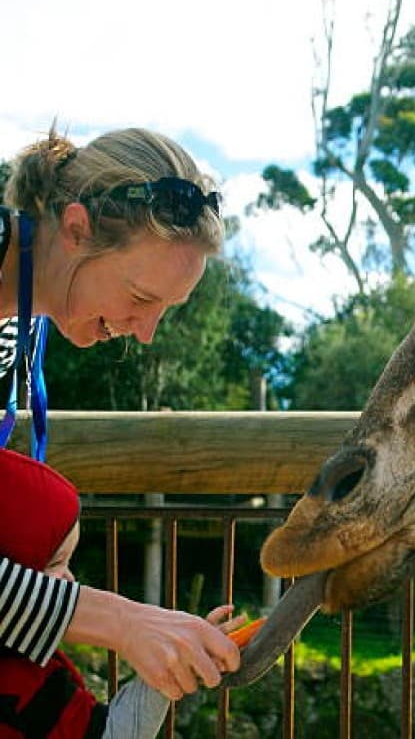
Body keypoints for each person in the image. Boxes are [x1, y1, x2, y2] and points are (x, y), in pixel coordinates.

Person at [0, 126, 240, 699]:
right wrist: (125, 624)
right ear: (77, 229)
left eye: (165, 310)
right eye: (140, 298)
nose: (148, 333)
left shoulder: (18, 320)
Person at [0, 448, 246, 737]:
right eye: (54, 564)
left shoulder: (42, 683)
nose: (68, 579)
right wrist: (131, 627)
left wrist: (168, 667)